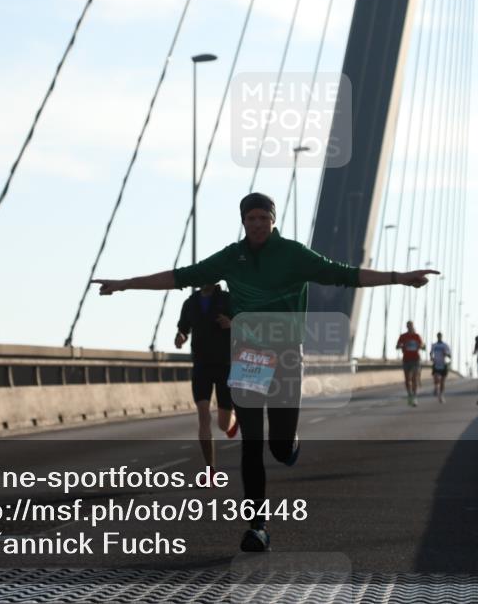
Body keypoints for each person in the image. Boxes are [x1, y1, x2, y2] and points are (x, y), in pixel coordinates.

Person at [93, 193, 439, 552]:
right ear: (243, 221)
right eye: (251, 218)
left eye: (263, 218)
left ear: (273, 220)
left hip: (286, 356)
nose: (257, 224)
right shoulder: (232, 257)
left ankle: (289, 444)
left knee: (279, 446)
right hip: (248, 358)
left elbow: (346, 275)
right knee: (251, 444)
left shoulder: (294, 254)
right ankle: (257, 526)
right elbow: (180, 276)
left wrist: (399, 278)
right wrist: (125, 284)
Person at [175, 283, 238, 472]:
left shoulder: (228, 300)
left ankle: (233, 419)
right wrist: (180, 337)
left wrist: (231, 324)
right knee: (203, 415)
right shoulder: (190, 303)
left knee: (223, 425)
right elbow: (183, 328)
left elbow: (248, 325)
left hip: (225, 365)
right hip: (201, 365)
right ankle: (210, 470)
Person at [396, 321, 424, 406]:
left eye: (410, 325)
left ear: (413, 326)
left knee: (414, 378)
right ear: (406, 327)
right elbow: (397, 346)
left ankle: (414, 397)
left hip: (415, 359)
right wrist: (401, 346)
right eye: (408, 326)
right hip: (406, 359)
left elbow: (422, 345)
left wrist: (421, 346)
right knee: (407, 379)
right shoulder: (403, 336)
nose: (409, 327)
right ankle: (409, 394)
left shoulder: (416, 336)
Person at [429, 332, 452, 403]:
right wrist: (431, 357)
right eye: (438, 336)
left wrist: (446, 354)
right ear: (437, 336)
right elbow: (431, 353)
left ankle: (441, 395)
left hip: (443, 364)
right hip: (436, 364)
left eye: (440, 336)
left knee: (442, 381)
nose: (439, 337)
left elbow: (449, 355)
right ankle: (436, 388)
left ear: (442, 336)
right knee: (436, 378)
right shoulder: (434, 345)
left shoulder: (445, 345)